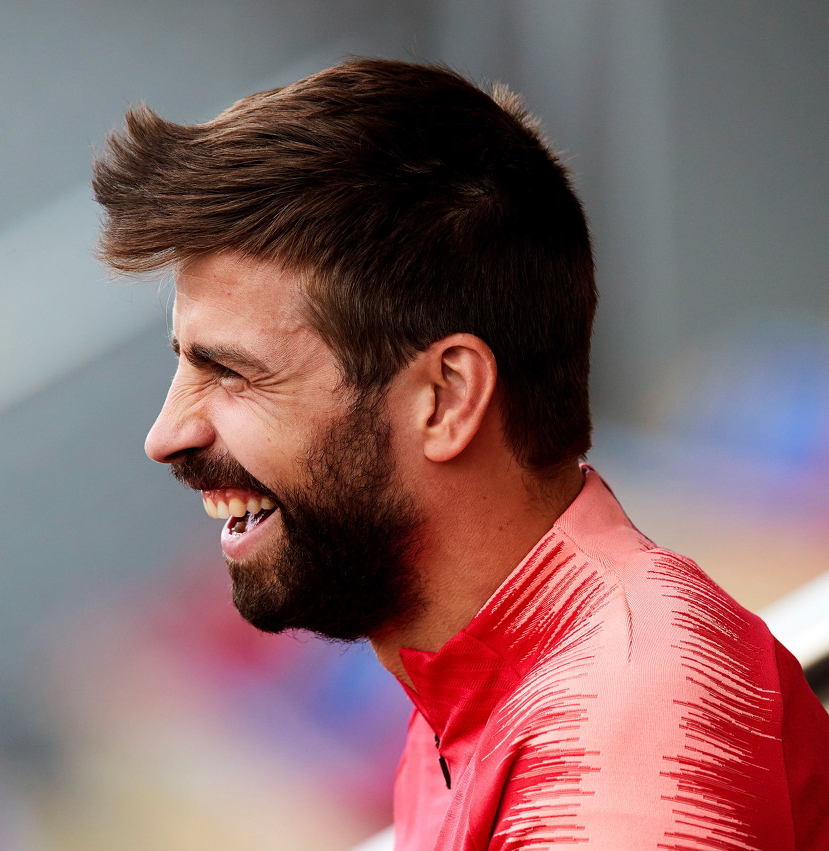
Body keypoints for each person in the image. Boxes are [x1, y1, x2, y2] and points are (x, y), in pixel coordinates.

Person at [91, 58, 829, 849]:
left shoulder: (615, 752)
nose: (166, 433)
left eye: (232, 372)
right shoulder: (480, 685)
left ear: (445, 397)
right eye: (185, 366)